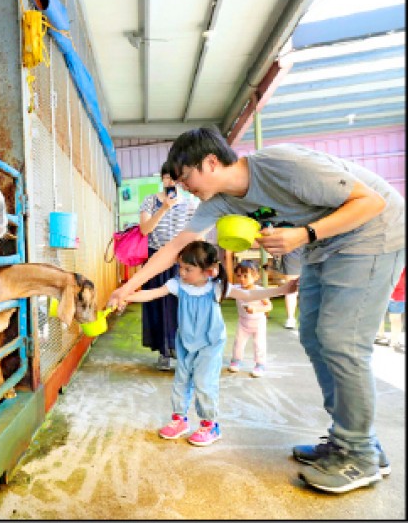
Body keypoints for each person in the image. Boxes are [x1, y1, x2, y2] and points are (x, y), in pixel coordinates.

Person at [108, 126, 405, 493]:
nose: (184, 188)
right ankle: (351, 440)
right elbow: (174, 247)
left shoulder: (284, 165)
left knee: (341, 341)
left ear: (211, 162)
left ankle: (358, 455)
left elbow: (372, 202)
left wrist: (304, 234)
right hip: (324, 247)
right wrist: (127, 287)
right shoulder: (218, 203)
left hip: (372, 234)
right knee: (313, 337)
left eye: (186, 178)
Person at [125, 241, 297, 446]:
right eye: (180, 267)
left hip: (210, 343)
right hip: (186, 342)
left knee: (204, 383)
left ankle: (210, 425)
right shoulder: (177, 285)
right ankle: (179, 420)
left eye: (188, 269)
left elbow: (249, 294)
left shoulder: (215, 288)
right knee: (181, 381)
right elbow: (151, 294)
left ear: (209, 271)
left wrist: (282, 289)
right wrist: (126, 296)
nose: (182, 272)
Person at [138, 161, 197, 370]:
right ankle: (164, 352)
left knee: (181, 307)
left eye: (175, 177)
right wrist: (164, 208)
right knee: (158, 306)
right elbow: (145, 230)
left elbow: (195, 233)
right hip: (155, 259)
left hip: (181, 260)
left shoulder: (190, 203)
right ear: (161, 179)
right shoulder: (150, 201)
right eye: (167, 177)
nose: (171, 181)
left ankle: (181, 350)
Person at [228, 260, 272, 377]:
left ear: (256, 276)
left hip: (258, 323)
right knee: (238, 342)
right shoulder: (236, 289)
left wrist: (255, 309)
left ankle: (260, 364)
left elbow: (269, 306)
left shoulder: (259, 291)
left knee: (259, 344)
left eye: (245, 276)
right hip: (243, 322)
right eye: (238, 276)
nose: (241, 279)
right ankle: (236, 360)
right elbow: (224, 288)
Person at [375, 267, 405, 349]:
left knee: (380, 315)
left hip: (383, 292)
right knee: (396, 319)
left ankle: (380, 336)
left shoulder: (388, 261)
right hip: (398, 295)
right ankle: (394, 341)